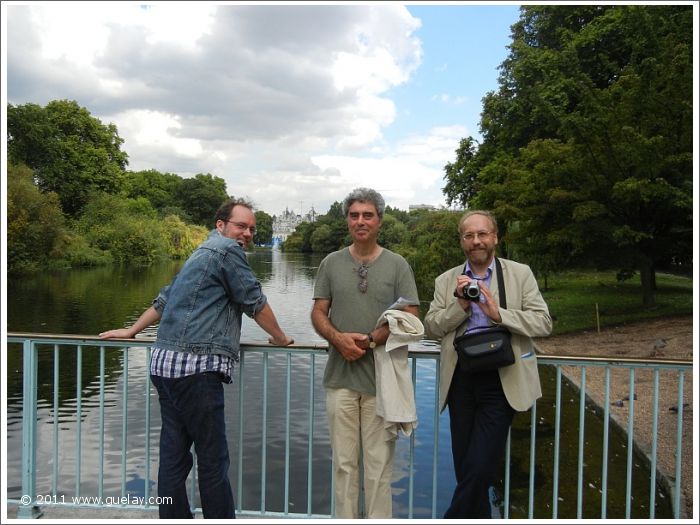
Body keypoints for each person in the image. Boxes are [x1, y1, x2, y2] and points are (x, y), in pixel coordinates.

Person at [99, 198, 294, 519]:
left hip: (164, 364)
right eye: (240, 226)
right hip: (196, 368)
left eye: (251, 229)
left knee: (174, 457)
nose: (246, 233)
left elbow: (165, 299)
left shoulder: (200, 253)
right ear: (221, 225)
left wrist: (133, 329)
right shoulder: (226, 251)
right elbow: (253, 300)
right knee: (213, 459)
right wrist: (282, 338)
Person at [424, 210, 552, 519]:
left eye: (482, 234)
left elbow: (543, 322)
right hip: (461, 380)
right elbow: (430, 327)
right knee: (466, 467)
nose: (476, 241)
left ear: (495, 237)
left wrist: (499, 314)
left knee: (480, 466)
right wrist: (460, 306)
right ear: (462, 241)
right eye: (469, 236)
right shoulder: (447, 281)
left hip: (502, 377)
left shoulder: (519, 274)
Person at [310, 187, 420, 519]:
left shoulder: (398, 265)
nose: (361, 221)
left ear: (379, 221)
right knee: (344, 466)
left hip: (381, 380)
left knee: (379, 467)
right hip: (340, 379)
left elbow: (412, 316)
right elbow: (318, 312)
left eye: (367, 215)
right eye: (354, 214)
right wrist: (338, 339)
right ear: (347, 220)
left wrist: (372, 339)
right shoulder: (331, 263)